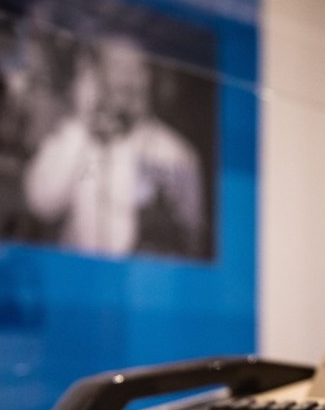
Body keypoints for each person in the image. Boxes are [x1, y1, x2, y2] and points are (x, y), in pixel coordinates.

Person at [23, 35, 205, 257]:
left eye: (137, 68)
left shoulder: (175, 153)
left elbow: (192, 242)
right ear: (97, 76)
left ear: (148, 77)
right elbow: (41, 204)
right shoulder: (77, 140)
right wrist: (82, 122)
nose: (128, 81)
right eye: (117, 67)